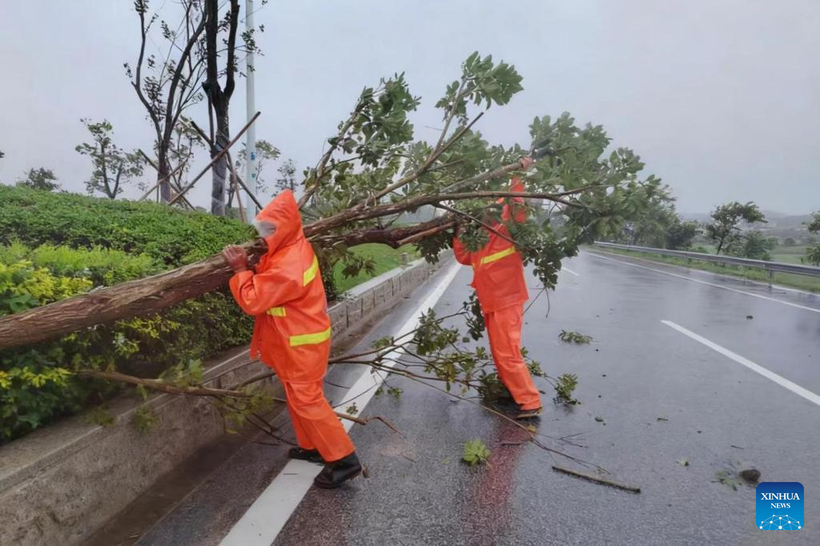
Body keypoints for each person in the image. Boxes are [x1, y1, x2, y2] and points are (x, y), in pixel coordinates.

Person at [222, 189, 362, 489]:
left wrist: (240, 270)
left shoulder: (289, 263)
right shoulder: (290, 248)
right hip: (297, 341)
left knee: (307, 400)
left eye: (269, 230)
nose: (263, 236)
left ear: (285, 228)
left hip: (300, 344)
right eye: (262, 229)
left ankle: (344, 460)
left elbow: (254, 300)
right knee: (299, 397)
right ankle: (313, 447)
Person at [451, 157, 543, 420]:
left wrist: (519, 174)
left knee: (507, 350)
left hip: (506, 296)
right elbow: (464, 257)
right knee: (499, 350)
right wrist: (458, 229)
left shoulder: (506, 221)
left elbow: (517, 203)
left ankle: (529, 401)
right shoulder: (479, 232)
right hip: (491, 298)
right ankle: (513, 392)